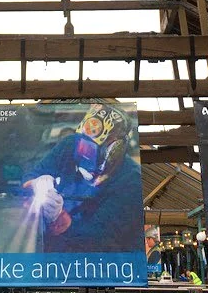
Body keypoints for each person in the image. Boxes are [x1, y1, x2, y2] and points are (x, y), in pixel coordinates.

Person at [22, 103, 143, 253]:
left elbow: (101, 238)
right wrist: (35, 184)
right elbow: (29, 178)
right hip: (62, 248)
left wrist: (60, 218)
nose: (82, 153)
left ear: (113, 151)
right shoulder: (70, 145)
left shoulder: (132, 181)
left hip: (106, 259)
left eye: (90, 148)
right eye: (81, 143)